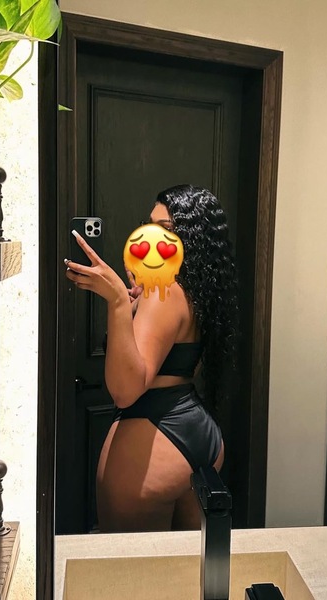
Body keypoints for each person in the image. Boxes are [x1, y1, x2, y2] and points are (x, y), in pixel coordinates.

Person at [65, 184, 239, 532]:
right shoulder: (194, 290)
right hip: (196, 430)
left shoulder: (164, 292)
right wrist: (134, 307)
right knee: (192, 562)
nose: (153, 237)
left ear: (191, 237)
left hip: (154, 437)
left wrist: (117, 302)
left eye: (168, 229)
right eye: (151, 225)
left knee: (131, 565)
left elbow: (125, 391)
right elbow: (181, 363)